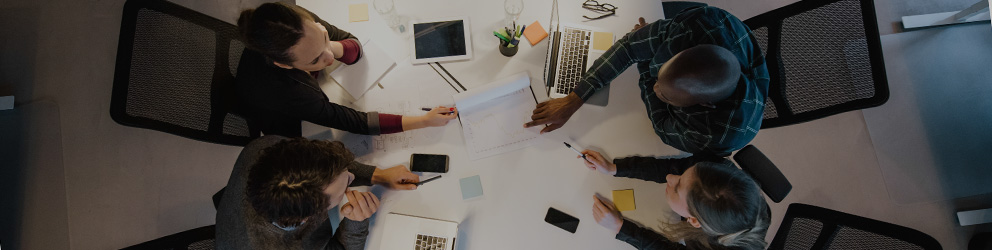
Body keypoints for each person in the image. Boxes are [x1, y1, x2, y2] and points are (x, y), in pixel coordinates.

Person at [525, 7, 769, 156]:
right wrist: (573, 99)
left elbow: (662, 126)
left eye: (666, 96)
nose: (656, 89)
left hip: (718, 130)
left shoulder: (712, 133)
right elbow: (630, 45)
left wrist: (645, 66)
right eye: (660, 75)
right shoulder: (700, 23)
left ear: (703, 104)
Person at [236, 3, 457, 137]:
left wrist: (325, 47)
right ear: (285, 65)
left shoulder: (296, 22)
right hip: (293, 127)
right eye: (315, 59)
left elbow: (355, 48)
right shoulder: (287, 94)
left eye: (324, 36)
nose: (331, 57)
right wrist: (423, 121)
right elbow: (349, 121)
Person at [216, 136, 421, 250]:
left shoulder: (265, 148)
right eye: (344, 189)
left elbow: (332, 164)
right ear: (308, 217)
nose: (352, 177)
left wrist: (378, 175)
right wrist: (356, 223)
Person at [580, 149, 770, 250]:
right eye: (684, 175)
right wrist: (615, 168)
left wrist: (620, 228)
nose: (670, 178)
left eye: (678, 188)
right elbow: (673, 167)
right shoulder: (714, 169)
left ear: (694, 221)